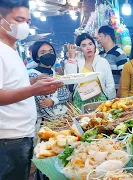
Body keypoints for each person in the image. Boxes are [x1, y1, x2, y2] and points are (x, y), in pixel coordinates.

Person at [0, 1, 62, 179]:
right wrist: (33, 90)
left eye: (27, 21)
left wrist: (33, 80)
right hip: (8, 139)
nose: (24, 26)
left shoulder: (11, 50)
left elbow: (10, 84)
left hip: (21, 134)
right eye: (19, 19)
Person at [65, 33, 116, 109]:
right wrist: (72, 57)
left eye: (90, 44)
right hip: (80, 101)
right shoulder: (77, 61)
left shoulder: (103, 62)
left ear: (94, 45)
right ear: (80, 48)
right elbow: (70, 78)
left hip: (99, 100)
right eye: (84, 45)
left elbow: (110, 84)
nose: (88, 48)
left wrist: (111, 102)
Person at [28, 41, 70, 128]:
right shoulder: (34, 75)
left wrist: (53, 101)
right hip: (47, 124)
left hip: (63, 120)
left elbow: (66, 94)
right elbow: (42, 104)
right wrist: (57, 122)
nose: (48, 54)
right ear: (37, 56)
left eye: (51, 52)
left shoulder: (55, 74)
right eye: (43, 52)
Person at [97, 25, 128, 97]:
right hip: (103, 94)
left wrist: (118, 95)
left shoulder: (119, 53)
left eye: (100, 36)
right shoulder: (100, 54)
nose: (98, 39)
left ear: (107, 37)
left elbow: (124, 76)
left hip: (115, 94)